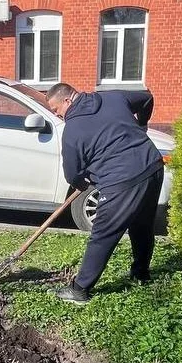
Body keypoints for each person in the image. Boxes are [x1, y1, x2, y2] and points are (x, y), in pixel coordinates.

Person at [45, 83, 164, 304]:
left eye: (56, 110)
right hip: (152, 166)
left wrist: (81, 181)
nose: (58, 115)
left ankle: (80, 289)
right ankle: (141, 273)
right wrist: (142, 124)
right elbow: (146, 99)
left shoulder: (72, 130)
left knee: (102, 235)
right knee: (142, 225)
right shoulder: (113, 97)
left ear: (67, 101)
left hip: (121, 181)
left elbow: (72, 174)